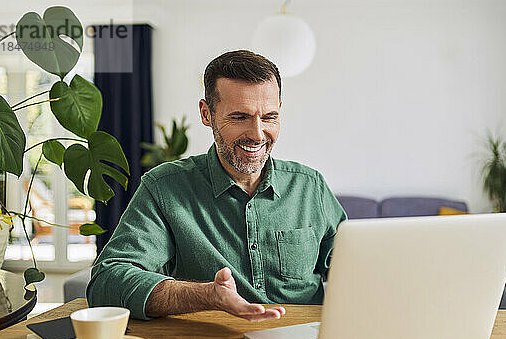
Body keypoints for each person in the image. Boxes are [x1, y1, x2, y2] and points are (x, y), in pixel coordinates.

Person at [87, 50, 347, 321]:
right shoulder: (164, 188)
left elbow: (356, 271)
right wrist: (205, 296)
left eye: (269, 117)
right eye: (239, 117)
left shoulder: (310, 186)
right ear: (206, 113)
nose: (257, 135)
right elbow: (108, 281)